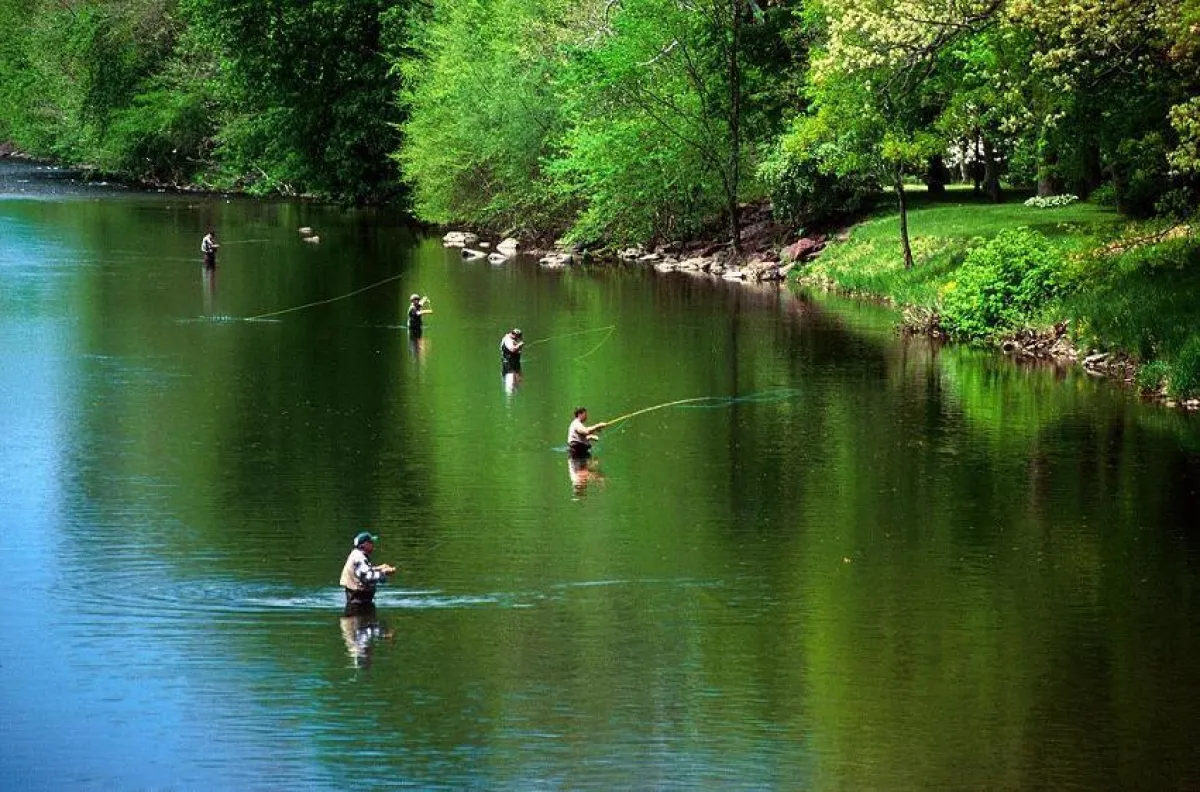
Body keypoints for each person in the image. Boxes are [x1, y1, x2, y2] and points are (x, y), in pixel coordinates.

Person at [339, 531, 397, 613]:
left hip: (358, 603)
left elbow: (362, 571)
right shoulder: (359, 558)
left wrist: (379, 568)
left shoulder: (355, 554)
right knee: (364, 624)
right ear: (364, 545)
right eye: (370, 542)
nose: (373, 544)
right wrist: (384, 573)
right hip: (359, 606)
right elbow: (367, 577)